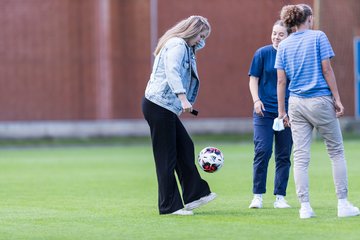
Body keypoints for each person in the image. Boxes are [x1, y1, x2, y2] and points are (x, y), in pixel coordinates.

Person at [276, 4, 360, 218]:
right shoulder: (318, 36)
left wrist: (281, 111)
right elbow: (327, 69)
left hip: (295, 103)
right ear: (309, 18)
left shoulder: (284, 45)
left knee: (301, 157)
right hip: (320, 100)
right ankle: (342, 204)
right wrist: (337, 98)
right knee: (336, 151)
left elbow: (281, 81)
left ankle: (305, 207)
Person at [142, 15, 216, 216]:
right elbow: (172, 71)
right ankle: (169, 206)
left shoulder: (185, 46)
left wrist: (199, 35)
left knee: (185, 146)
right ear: (191, 31)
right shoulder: (177, 45)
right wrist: (183, 99)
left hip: (163, 106)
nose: (202, 41)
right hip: (159, 105)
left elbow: (194, 49)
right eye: (201, 35)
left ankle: (195, 195)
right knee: (167, 157)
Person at [248, 20, 293, 209]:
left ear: (289, 36)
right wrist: (256, 100)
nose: (276, 37)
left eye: (281, 34)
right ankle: (257, 196)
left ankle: (280, 197)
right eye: (274, 33)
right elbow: (253, 79)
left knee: (283, 155)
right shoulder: (262, 53)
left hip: (288, 114)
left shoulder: (293, 55)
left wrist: (292, 111)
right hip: (264, 112)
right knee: (263, 150)